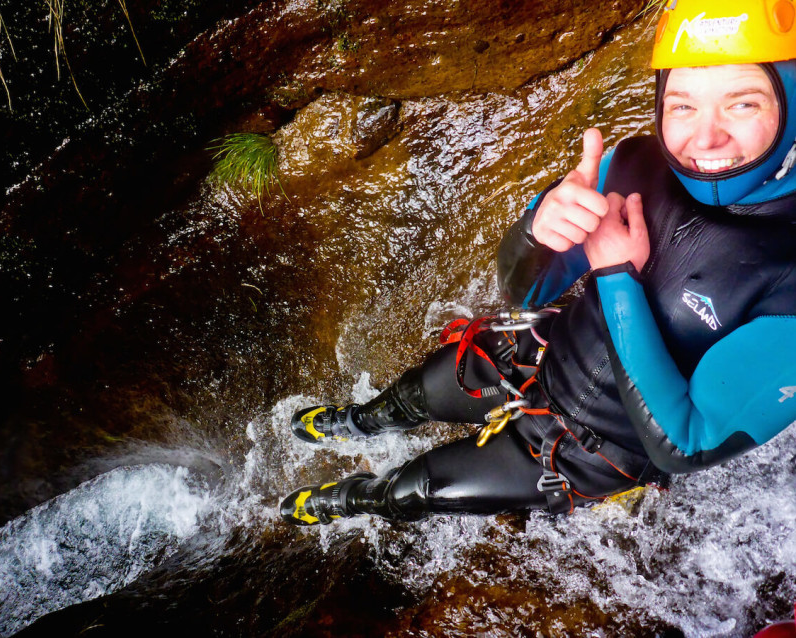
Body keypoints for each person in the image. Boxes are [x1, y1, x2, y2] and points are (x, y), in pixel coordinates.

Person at [280, 0, 796, 526]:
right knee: (411, 393)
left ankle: (354, 498)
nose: (705, 138)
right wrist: (537, 233)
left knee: (415, 491)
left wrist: (618, 278)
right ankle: (357, 421)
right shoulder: (637, 162)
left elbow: (683, 446)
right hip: (538, 355)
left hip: (591, 449)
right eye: (683, 105)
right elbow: (524, 292)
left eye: (743, 104)